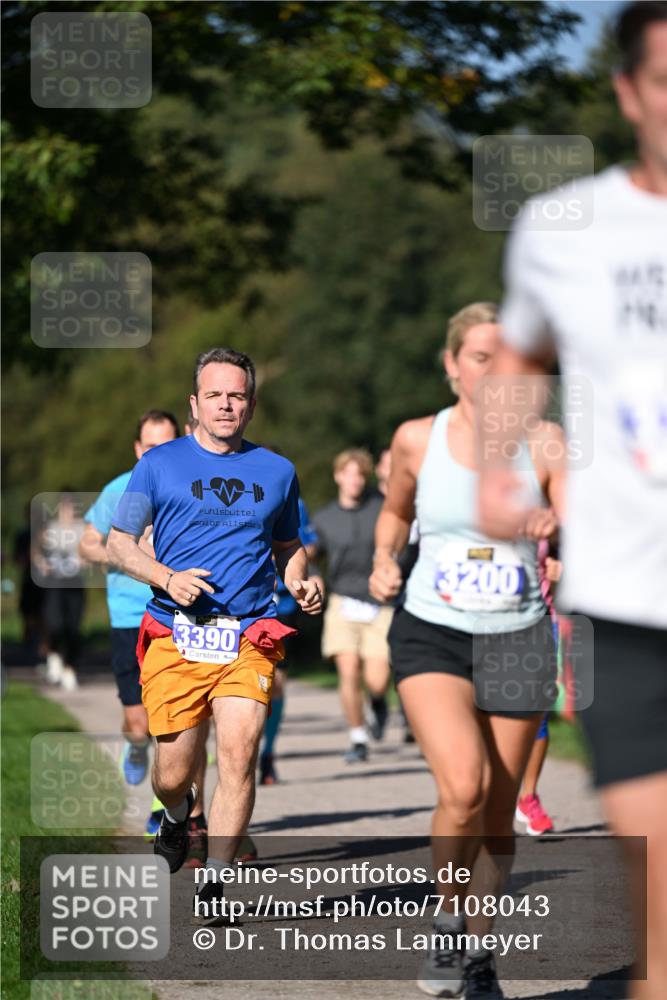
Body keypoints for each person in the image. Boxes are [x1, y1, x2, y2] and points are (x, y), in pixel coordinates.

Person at [479, 5, 667, 995]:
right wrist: (497, 469)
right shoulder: (565, 229)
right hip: (630, 600)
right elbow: (518, 353)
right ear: (630, 93)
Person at [370, 302, 564, 998]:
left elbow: (578, 520)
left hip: (516, 635)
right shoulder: (416, 439)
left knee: (497, 814)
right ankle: (447, 924)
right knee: (463, 786)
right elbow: (394, 511)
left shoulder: (545, 443)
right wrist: (384, 559)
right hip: (433, 630)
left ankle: (478, 954)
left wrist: (556, 529)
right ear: (452, 365)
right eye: (479, 357)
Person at [107, 347, 322, 923]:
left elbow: (288, 545)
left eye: (237, 395)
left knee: (239, 753)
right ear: (194, 404)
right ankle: (178, 816)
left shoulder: (277, 471)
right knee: (174, 772)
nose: (226, 405)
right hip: (177, 633)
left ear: (250, 404)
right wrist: (166, 577)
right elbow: (119, 544)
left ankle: (216, 886)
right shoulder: (157, 465)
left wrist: (299, 581)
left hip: (248, 633)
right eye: (215, 395)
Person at [79, 410, 213, 851]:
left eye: (166, 444)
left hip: (179, 616)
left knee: (181, 723)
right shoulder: (119, 489)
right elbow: (88, 544)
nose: (157, 453)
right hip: (128, 616)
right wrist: (127, 553)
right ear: (138, 449)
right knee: (140, 725)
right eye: (149, 446)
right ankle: (137, 748)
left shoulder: (195, 484)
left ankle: (174, 812)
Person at [314, 449, 393, 763]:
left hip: (379, 602)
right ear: (338, 477)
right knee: (348, 673)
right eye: (348, 474)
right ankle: (357, 737)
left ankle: (378, 701)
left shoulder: (382, 510)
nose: (354, 480)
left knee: (376, 678)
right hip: (343, 602)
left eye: (360, 474)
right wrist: (310, 574)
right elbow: (309, 554)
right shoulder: (324, 518)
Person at [259, 446, 321, 785]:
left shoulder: (292, 501)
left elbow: (308, 543)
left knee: (276, 683)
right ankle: (244, 745)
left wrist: (285, 558)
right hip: (241, 605)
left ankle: (268, 752)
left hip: (280, 605)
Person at [32, 492, 86, 691]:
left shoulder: (82, 529)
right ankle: (54, 653)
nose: (69, 512)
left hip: (75, 581)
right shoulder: (51, 529)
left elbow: (90, 551)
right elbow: (36, 550)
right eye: (66, 508)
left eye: (72, 508)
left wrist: (84, 560)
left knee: (73, 625)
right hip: (54, 581)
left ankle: (70, 668)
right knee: (55, 622)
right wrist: (41, 564)